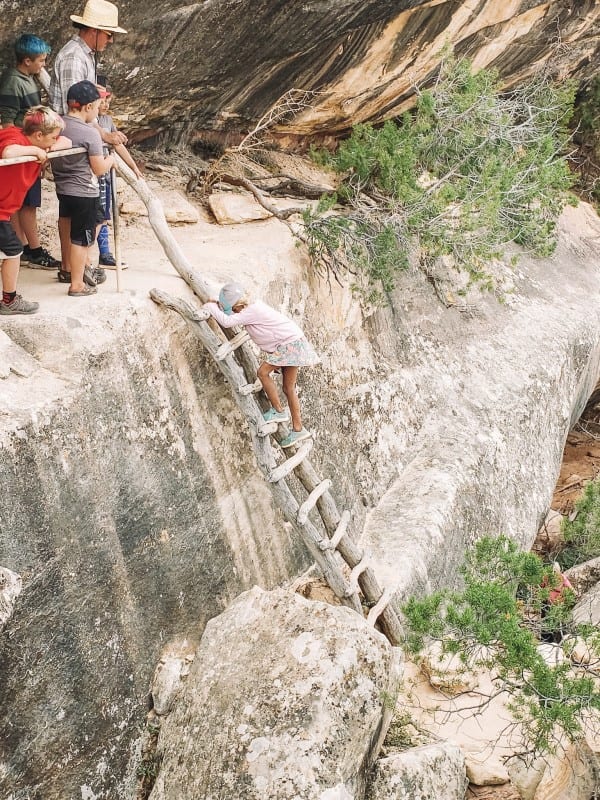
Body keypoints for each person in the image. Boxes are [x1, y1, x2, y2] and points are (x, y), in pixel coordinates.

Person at [203, 283, 320, 448]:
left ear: (240, 306)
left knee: (262, 372)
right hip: (294, 341)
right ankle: (298, 428)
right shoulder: (251, 306)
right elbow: (230, 313)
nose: (235, 313)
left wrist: (210, 306)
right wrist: (217, 302)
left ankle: (278, 411)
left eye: (235, 310)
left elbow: (227, 321)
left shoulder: (250, 311)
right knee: (288, 388)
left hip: (289, 345)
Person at [0, 34, 61, 270]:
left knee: (25, 202)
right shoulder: (12, 81)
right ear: (27, 61)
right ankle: (30, 249)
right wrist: (29, 149)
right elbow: (6, 121)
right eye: (41, 60)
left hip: (29, 145)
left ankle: (22, 246)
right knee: (24, 203)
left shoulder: (26, 78)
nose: (43, 65)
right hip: (22, 147)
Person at [0, 106, 68, 314]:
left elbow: (67, 142)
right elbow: (9, 152)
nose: (56, 141)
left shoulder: (38, 141)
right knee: (13, 251)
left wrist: (46, 148)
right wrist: (35, 150)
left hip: (4, 209)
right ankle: (9, 301)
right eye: (52, 137)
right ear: (38, 135)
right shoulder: (14, 136)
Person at [50, 80, 114, 297]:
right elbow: (98, 169)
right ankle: (77, 284)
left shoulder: (58, 126)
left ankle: (67, 269)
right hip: (84, 191)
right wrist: (111, 160)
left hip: (64, 189)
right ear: (87, 107)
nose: (97, 112)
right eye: (96, 107)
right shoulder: (89, 133)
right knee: (82, 238)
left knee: (69, 228)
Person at [48, 0, 128, 146]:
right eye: (109, 35)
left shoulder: (85, 55)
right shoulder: (74, 57)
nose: (111, 40)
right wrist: (103, 134)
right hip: (70, 133)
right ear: (94, 31)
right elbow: (74, 108)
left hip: (79, 129)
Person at [96, 84, 141, 267]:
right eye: (102, 100)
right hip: (95, 174)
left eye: (108, 100)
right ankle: (98, 255)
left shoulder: (107, 120)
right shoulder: (90, 122)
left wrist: (133, 166)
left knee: (105, 215)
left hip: (106, 176)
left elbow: (118, 144)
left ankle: (105, 254)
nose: (105, 104)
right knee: (97, 216)